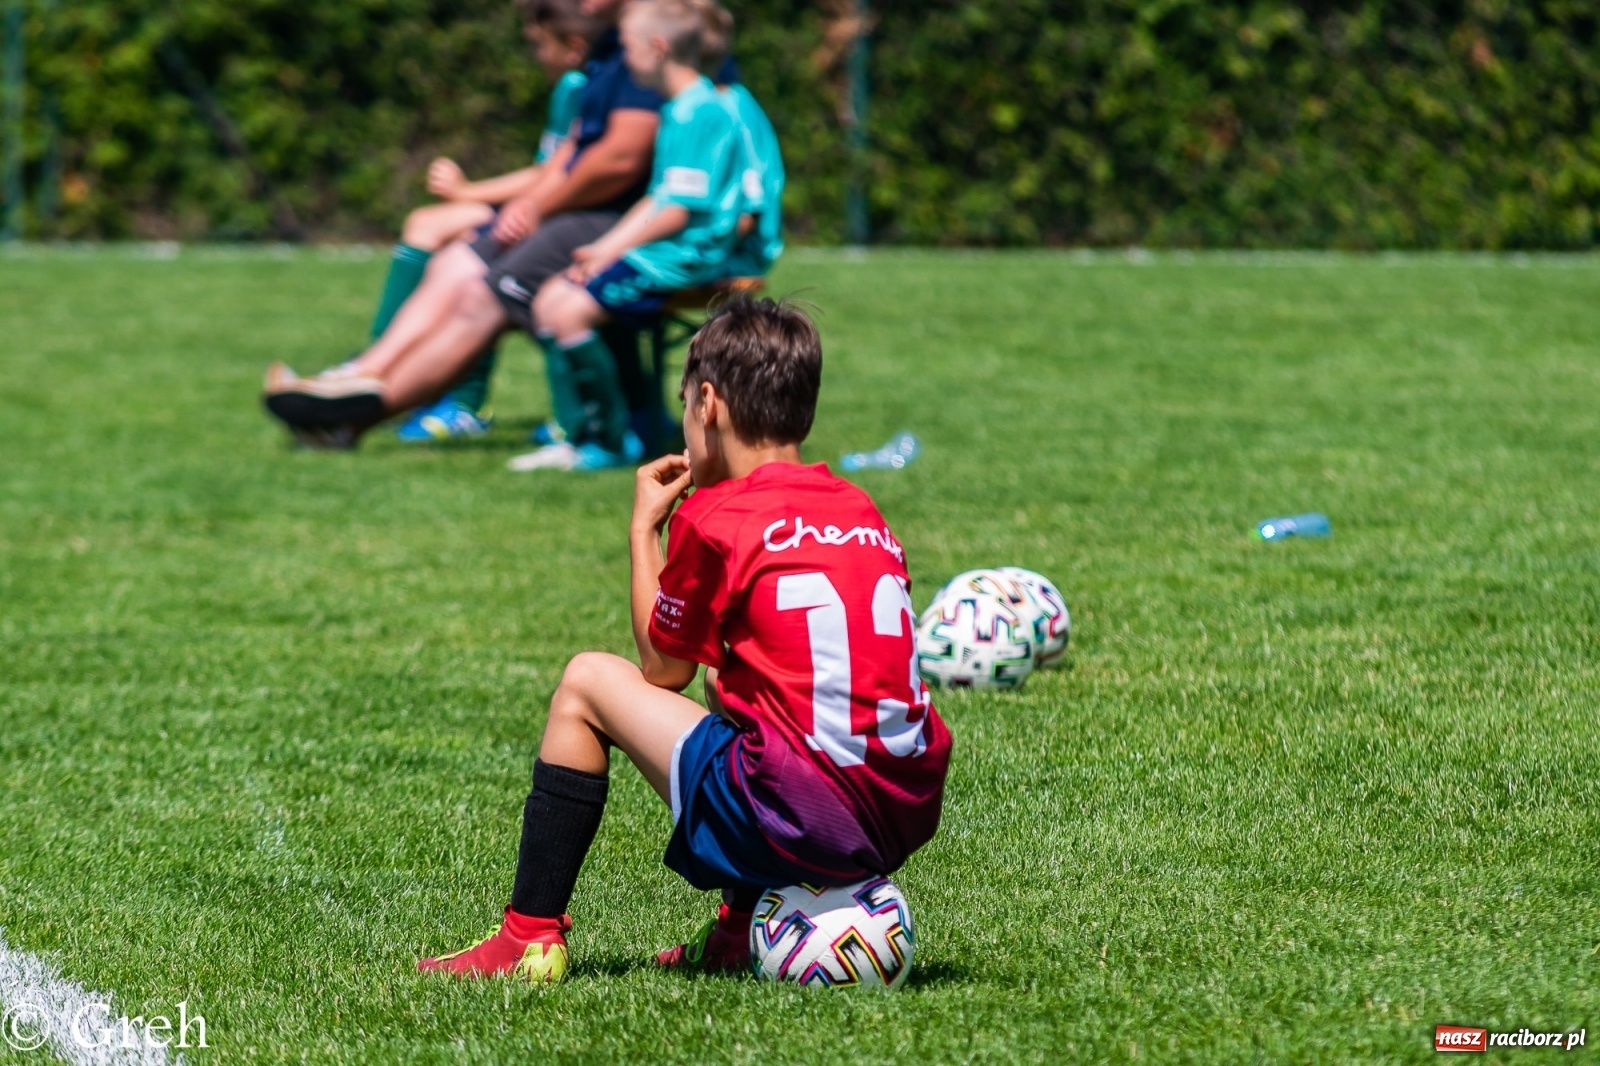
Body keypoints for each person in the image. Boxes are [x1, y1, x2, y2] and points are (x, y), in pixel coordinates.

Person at [416, 297, 952, 982]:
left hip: (797, 815)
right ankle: (739, 928)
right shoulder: (858, 507)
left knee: (586, 681)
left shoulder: (719, 513)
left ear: (708, 404)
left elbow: (662, 667)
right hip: (903, 810)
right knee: (734, 681)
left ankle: (527, 936)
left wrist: (644, 531)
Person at [263, 0, 665, 449]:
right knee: (457, 260)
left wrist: (530, 205)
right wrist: (532, 203)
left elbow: (618, 161)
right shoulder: (612, 47)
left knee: (484, 290)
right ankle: (361, 374)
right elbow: (573, 155)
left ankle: (351, 418)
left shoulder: (650, 44)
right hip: (584, 212)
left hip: (622, 221)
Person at [506, 0, 751, 472]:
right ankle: (579, 433)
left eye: (629, 49)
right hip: (663, 250)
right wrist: (603, 247)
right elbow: (657, 199)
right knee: (550, 300)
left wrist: (612, 247)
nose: (622, 60)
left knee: (569, 311)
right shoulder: (680, 108)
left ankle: (609, 441)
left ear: (657, 49)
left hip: (688, 256)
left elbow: (677, 211)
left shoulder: (701, 112)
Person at [389, 0, 603, 443]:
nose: (535, 56)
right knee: (430, 225)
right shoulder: (574, 85)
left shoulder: (582, 85)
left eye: (539, 45)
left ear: (572, 46)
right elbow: (551, 168)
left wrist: (469, 192)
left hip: (572, 221)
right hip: (554, 211)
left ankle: (438, 392)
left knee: (469, 251)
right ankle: (386, 366)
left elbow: (553, 176)